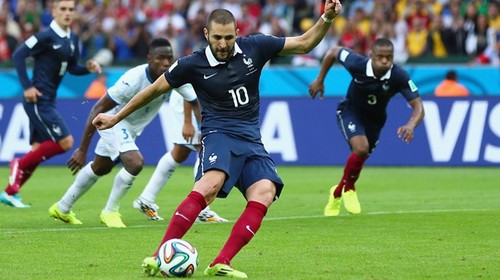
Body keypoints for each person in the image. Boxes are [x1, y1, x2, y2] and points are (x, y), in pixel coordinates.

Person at [92, 3, 342, 278]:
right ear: (206, 34)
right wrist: (116, 117)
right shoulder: (192, 64)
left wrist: (327, 17)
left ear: (237, 32)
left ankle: (221, 262)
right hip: (218, 133)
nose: (223, 44)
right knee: (210, 184)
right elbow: (153, 90)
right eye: (217, 38)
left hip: (251, 137)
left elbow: (305, 43)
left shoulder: (255, 46)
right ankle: (157, 255)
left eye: (228, 37)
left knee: (265, 192)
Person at [48, 38, 202, 228]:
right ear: (149, 58)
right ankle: (110, 211)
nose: (165, 63)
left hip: (131, 129)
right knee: (135, 162)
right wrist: (82, 149)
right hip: (113, 122)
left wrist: (198, 127)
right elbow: (98, 108)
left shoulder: (172, 76)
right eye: (160, 58)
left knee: (101, 167)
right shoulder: (133, 79)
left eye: (169, 58)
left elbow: (194, 101)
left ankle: (62, 207)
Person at [0, 0, 101, 208]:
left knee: (37, 149)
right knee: (65, 142)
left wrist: (88, 68)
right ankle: (18, 164)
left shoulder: (72, 38)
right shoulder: (45, 36)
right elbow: (19, 55)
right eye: (62, 9)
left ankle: (10, 192)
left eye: (71, 10)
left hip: (49, 99)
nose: (67, 13)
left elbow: (72, 68)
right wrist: (27, 86)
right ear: (53, 12)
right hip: (37, 99)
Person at [308, 38, 425, 217]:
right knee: (361, 149)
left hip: (375, 122)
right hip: (350, 112)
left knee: (359, 157)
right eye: (380, 57)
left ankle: (338, 192)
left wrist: (411, 125)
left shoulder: (399, 75)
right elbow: (332, 51)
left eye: (389, 57)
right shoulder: (358, 64)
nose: (385, 61)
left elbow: (419, 107)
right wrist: (320, 79)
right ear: (371, 56)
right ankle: (350, 188)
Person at [133, 90, 228, 223]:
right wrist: (188, 122)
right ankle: (202, 211)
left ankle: (145, 199)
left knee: (180, 152)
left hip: (196, 100)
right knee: (203, 147)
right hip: (187, 101)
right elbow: (187, 87)